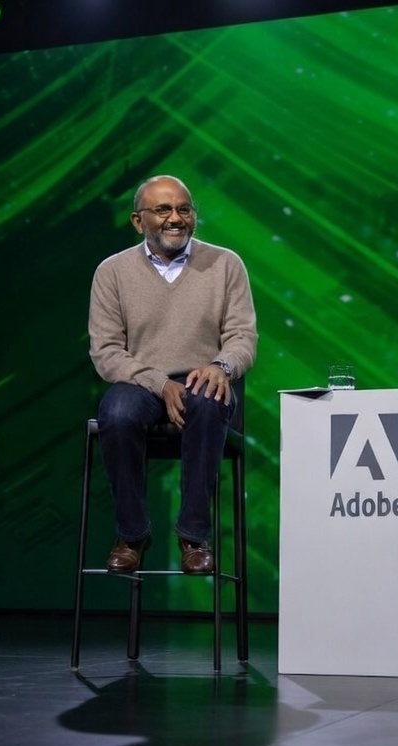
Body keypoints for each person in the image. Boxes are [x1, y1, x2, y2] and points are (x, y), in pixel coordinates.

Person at [88, 175, 258, 574]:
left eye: (184, 209)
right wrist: (160, 384)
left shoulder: (225, 264)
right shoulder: (112, 272)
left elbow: (243, 336)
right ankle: (132, 535)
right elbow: (106, 351)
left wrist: (221, 367)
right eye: (163, 210)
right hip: (143, 382)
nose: (176, 218)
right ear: (138, 221)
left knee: (209, 398)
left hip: (203, 378)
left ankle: (193, 536)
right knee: (117, 413)